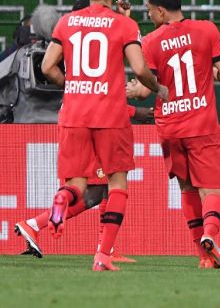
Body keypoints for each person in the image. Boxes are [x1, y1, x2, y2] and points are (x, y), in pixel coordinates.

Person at [40, 0, 168, 271]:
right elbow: (139, 69)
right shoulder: (124, 26)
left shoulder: (67, 22)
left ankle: (62, 199)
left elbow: (47, 67)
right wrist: (158, 88)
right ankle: (103, 256)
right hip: (110, 115)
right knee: (117, 182)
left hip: (74, 113)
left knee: (77, 183)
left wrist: (71, 84)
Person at [126, 0, 220, 269]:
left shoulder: (150, 42)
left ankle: (203, 258)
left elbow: (144, 91)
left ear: (161, 10)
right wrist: (204, 71)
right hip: (202, 123)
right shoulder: (207, 29)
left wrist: (126, 90)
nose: (149, 15)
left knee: (187, 190)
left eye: (149, 11)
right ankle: (210, 237)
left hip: (170, 127)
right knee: (211, 190)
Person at [15, 105, 153, 262]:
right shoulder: (97, 85)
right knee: (97, 192)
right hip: (92, 125)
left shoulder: (75, 85)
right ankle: (34, 224)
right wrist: (134, 111)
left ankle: (106, 248)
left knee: (104, 188)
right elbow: (100, 98)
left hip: (75, 121)